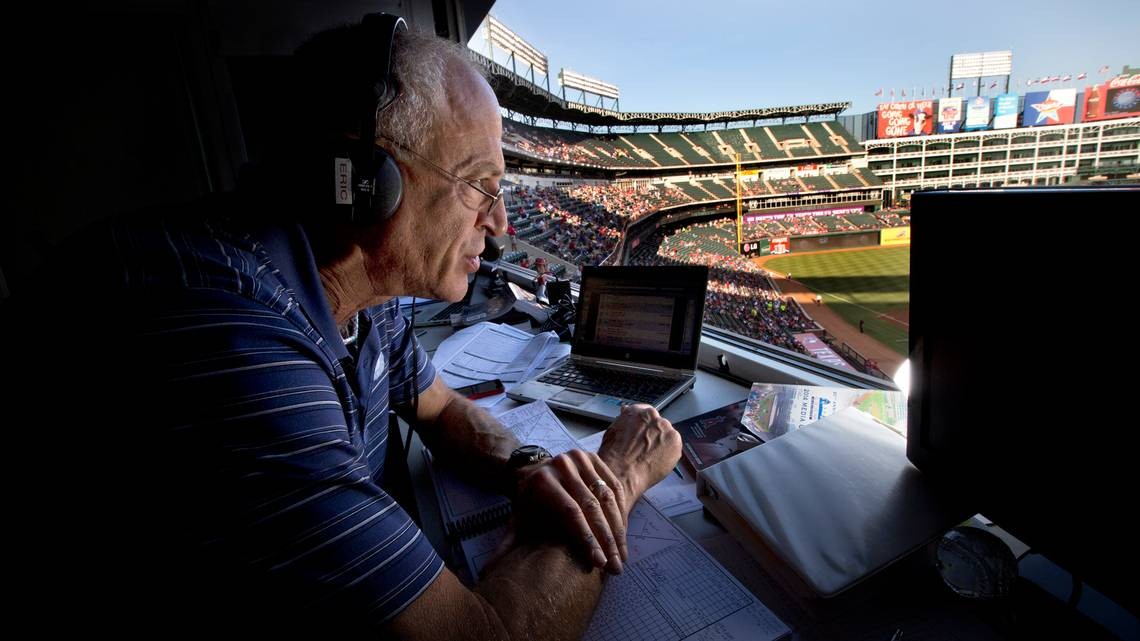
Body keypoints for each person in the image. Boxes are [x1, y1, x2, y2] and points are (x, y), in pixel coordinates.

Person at [11, 15, 681, 638]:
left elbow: (440, 406)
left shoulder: (357, 287)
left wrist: (531, 468)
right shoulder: (232, 345)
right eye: (480, 184)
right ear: (365, 180)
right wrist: (616, 478)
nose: (502, 225)